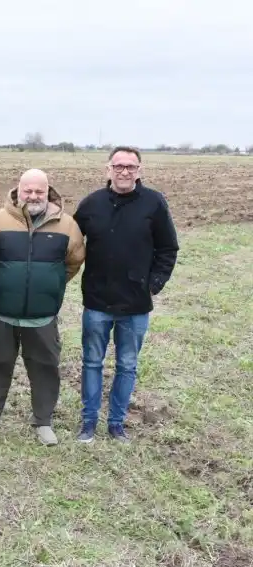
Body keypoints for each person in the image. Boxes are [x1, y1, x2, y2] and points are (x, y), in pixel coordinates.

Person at [73, 146, 179, 443]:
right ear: (108, 169)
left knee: (127, 365)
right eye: (118, 166)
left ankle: (117, 423)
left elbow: (168, 248)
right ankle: (89, 421)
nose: (124, 172)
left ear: (139, 170)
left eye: (130, 167)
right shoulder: (91, 204)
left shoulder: (154, 203)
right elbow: (69, 241)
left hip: (135, 304)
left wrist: (153, 283)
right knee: (92, 361)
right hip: (96, 301)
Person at [0, 169, 86, 446]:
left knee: (46, 367)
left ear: (48, 192)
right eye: (28, 190)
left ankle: (43, 421)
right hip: (2, 313)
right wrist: (2, 283)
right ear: (18, 190)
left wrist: (51, 284)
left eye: (39, 191)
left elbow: (73, 262)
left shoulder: (67, 225)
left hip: (43, 316)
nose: (33, 196)